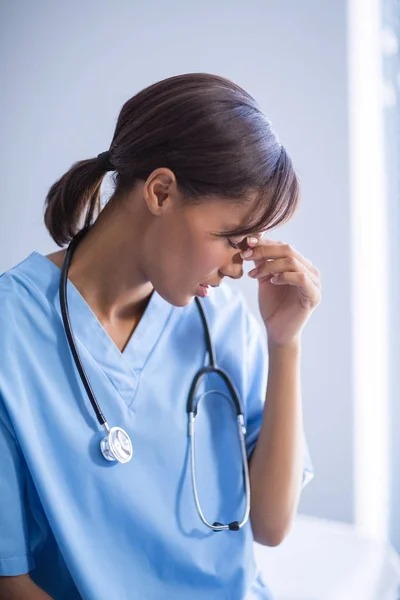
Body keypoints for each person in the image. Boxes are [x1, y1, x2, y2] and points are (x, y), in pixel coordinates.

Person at [0, 73, 320, 600]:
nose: (239, 270)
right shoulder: (13, 333)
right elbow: (9, 580)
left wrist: (285, 343)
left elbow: (270, 526)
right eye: (231, 241)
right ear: (161, 191)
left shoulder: (224, 324)